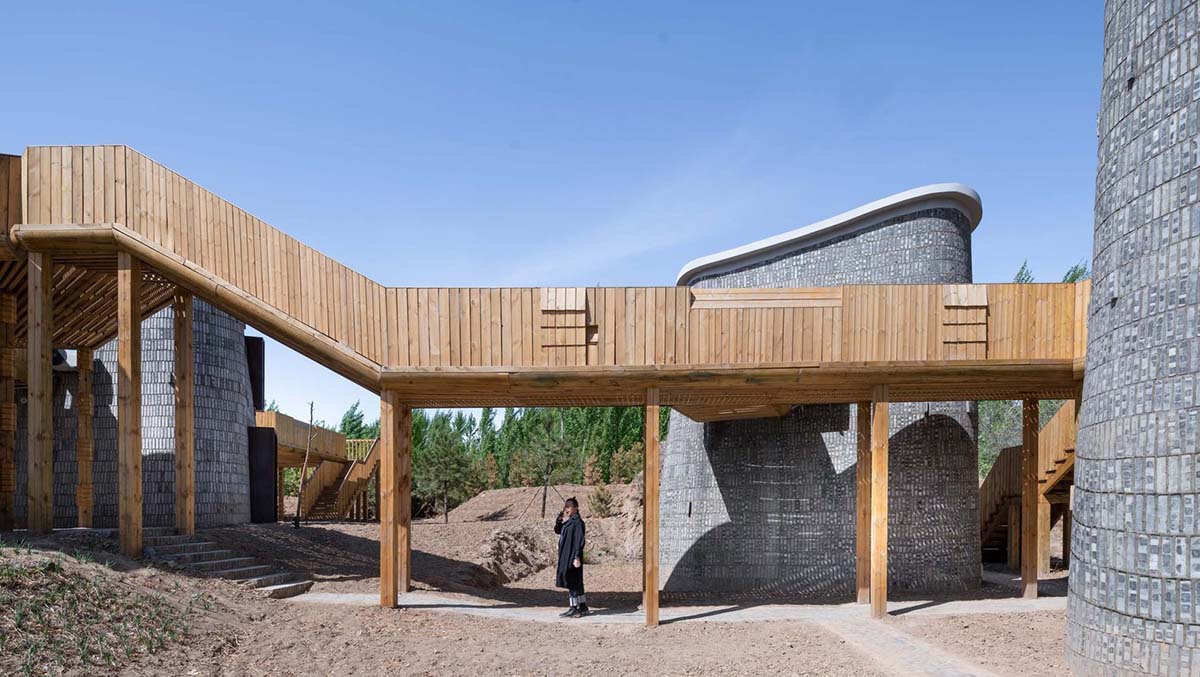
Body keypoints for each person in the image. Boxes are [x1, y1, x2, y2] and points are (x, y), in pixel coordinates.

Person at [554, 497, 588, 618]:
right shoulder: (568, 521)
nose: (567, 509)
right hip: (566, 555)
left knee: (573, 581)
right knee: (576, 582)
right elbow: (558, 531)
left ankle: (574, 607)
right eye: (566, 507)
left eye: (569, 507)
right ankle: (583, 606)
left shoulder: (577, 522)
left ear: (575, 508)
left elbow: (580, 540)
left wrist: (577, 557)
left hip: (572, 556)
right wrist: (560, 520)